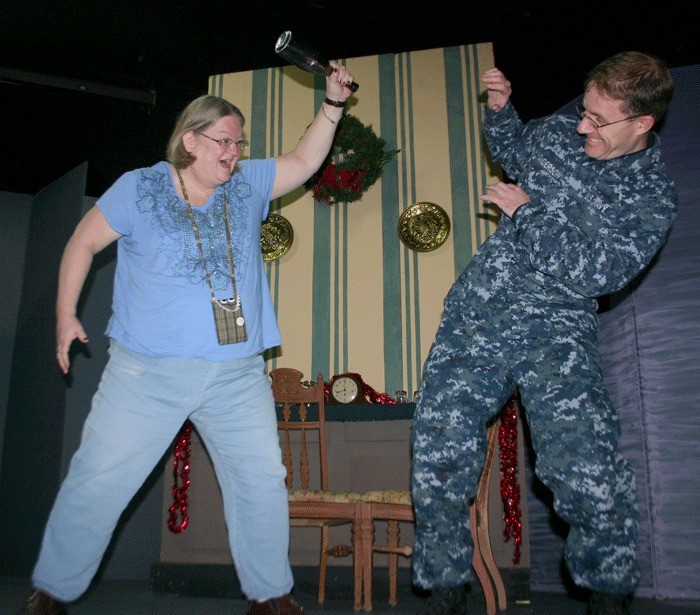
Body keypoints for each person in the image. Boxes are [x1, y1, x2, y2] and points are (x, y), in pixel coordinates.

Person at [17, 62, 355, 615]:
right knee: (99, 478)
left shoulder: (246, 187)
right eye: (224, 141)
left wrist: (332, 106)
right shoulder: (140, 187)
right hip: (145, 372)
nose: (235, 152)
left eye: (240, 142)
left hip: (237, 374)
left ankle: (270, 597)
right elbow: (82, 243)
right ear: (190, 140)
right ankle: (51, 591)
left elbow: (303, 160)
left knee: (261, 481)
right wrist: (64, 315)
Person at [411, 51, 676, 615]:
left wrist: (529, 213)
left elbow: (600, 273)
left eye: (599, 120)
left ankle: (608, 594)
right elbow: (515, 150)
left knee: (582, 464)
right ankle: (444, 587)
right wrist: (501, 113)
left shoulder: (650, 197)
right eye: (584, 110)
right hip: (477, 314)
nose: (581, 126)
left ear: (641, 123)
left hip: (554, 329)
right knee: (439, 447)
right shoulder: (562, 129)